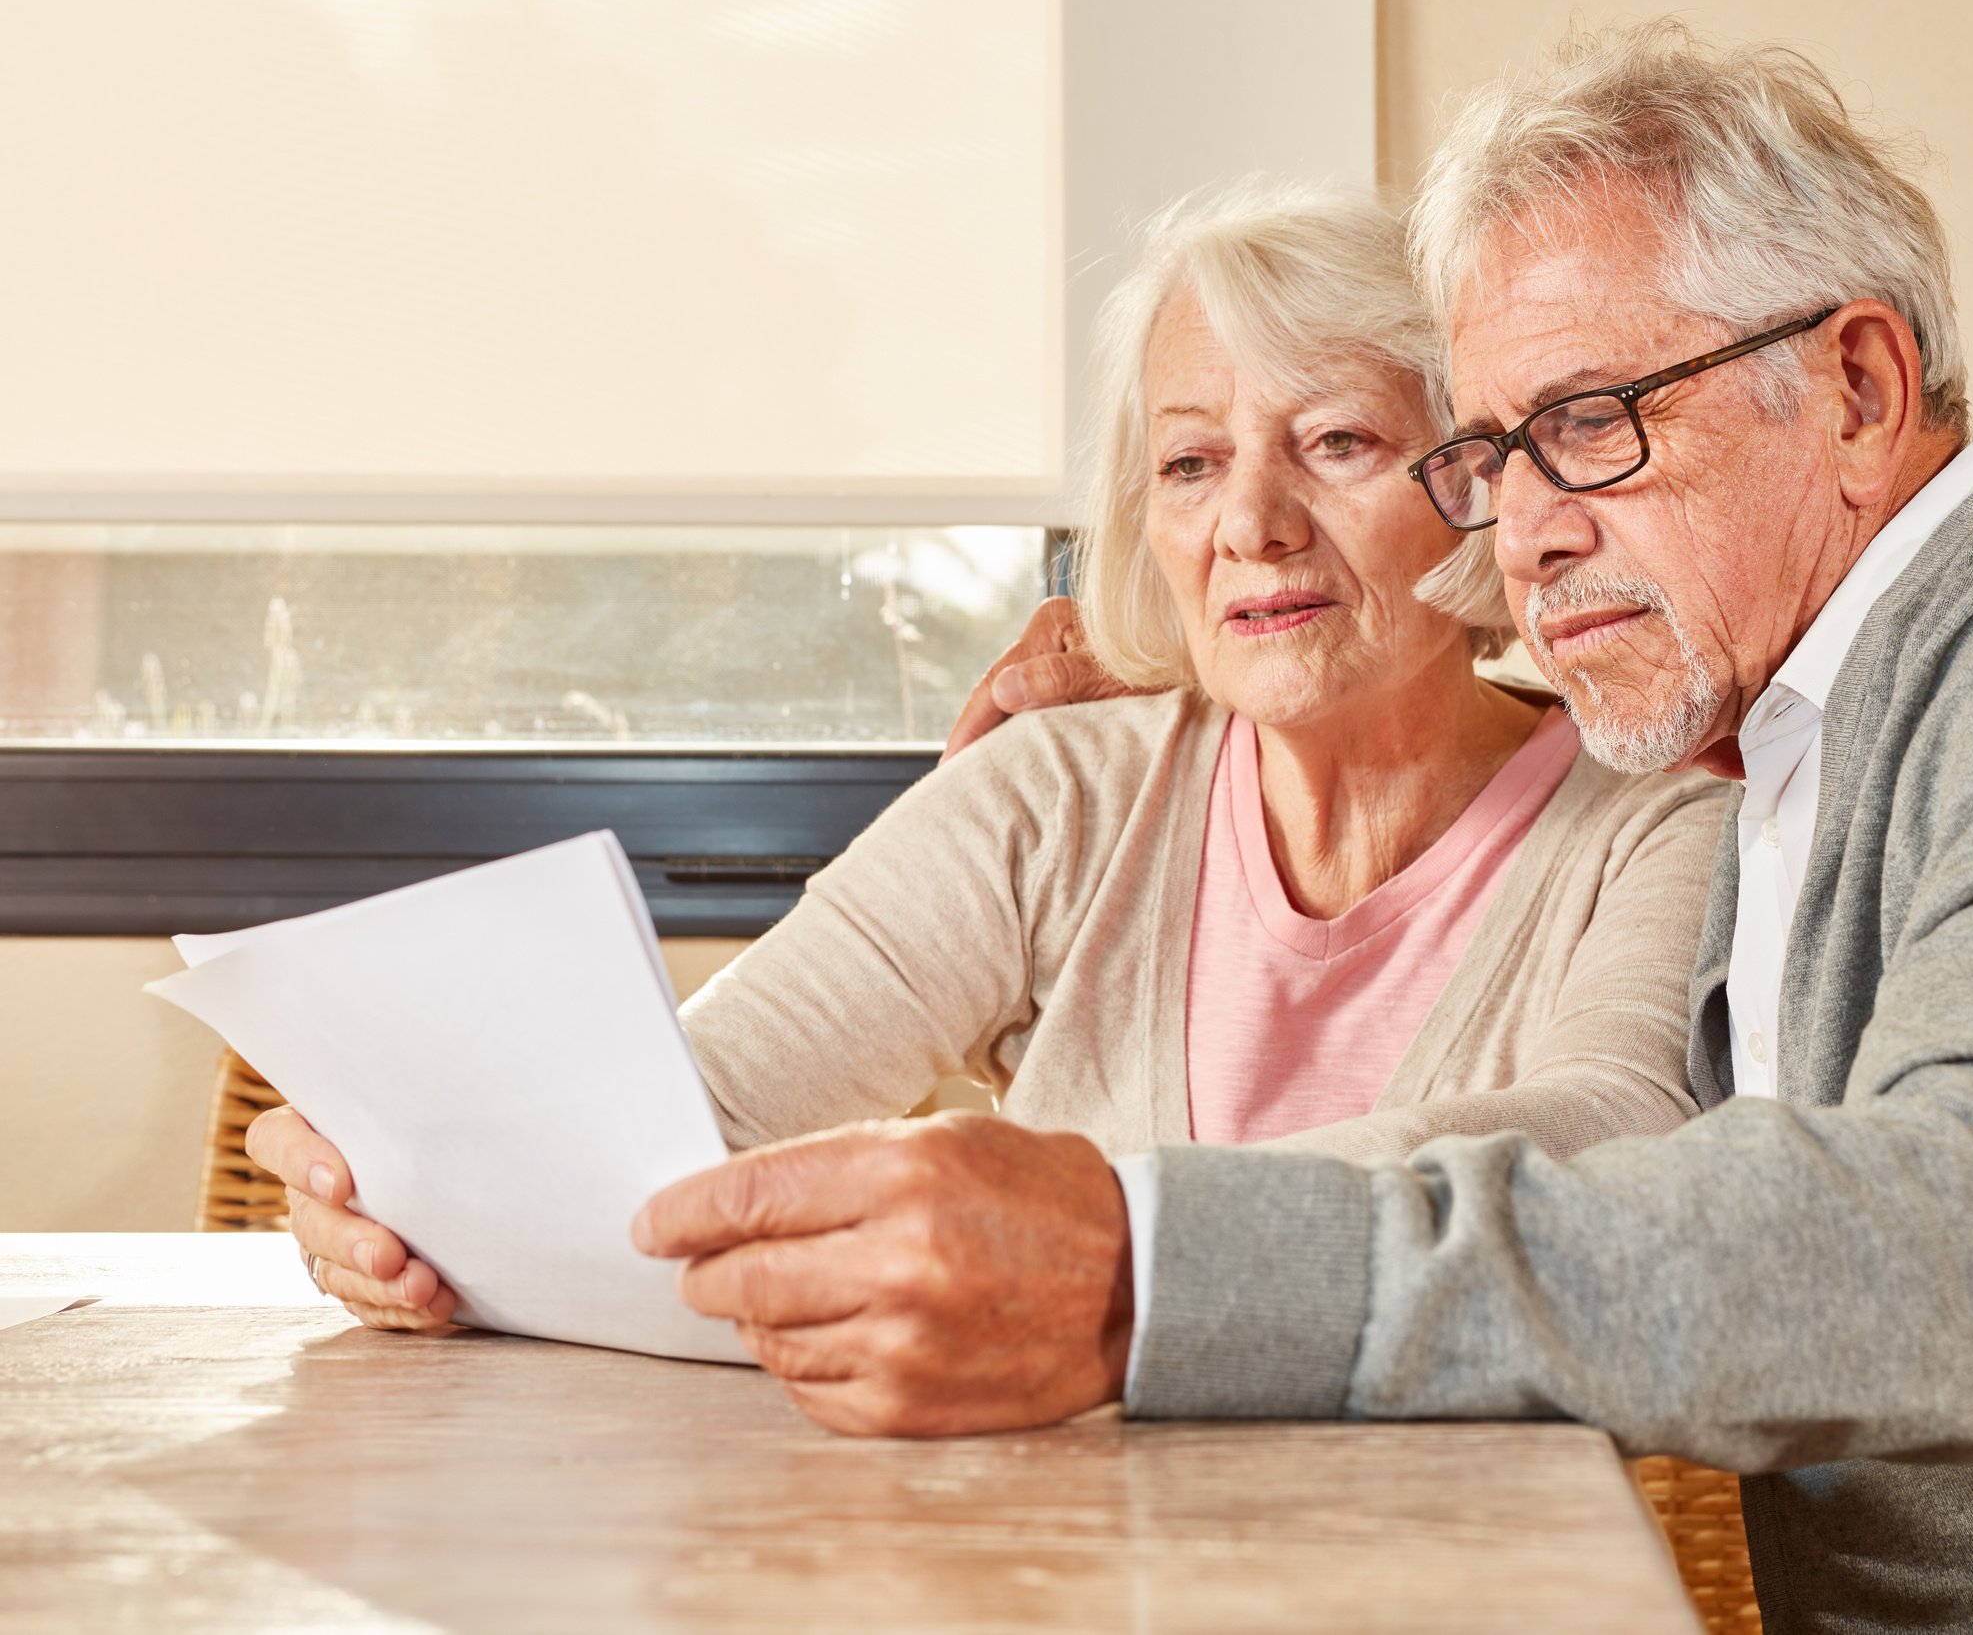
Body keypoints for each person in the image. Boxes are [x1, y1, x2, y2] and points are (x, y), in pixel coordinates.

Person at [628, 28, 1973, 1626]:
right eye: (1488, 453)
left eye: (1593, 422)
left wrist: (1152, 1260)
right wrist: (1184, 671)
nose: (1532, 521)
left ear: (1853, 380)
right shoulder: (1773, 728)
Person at [249, 181, 1727, 1353]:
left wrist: (1095, 1226)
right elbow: (686, 1125)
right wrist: (404, 1179)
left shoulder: (1652, 822)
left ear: (1474, 481)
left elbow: (1610, 1140)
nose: (1252, 525)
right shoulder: (1058, 792)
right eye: (1192, 461)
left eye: (1337, 439)